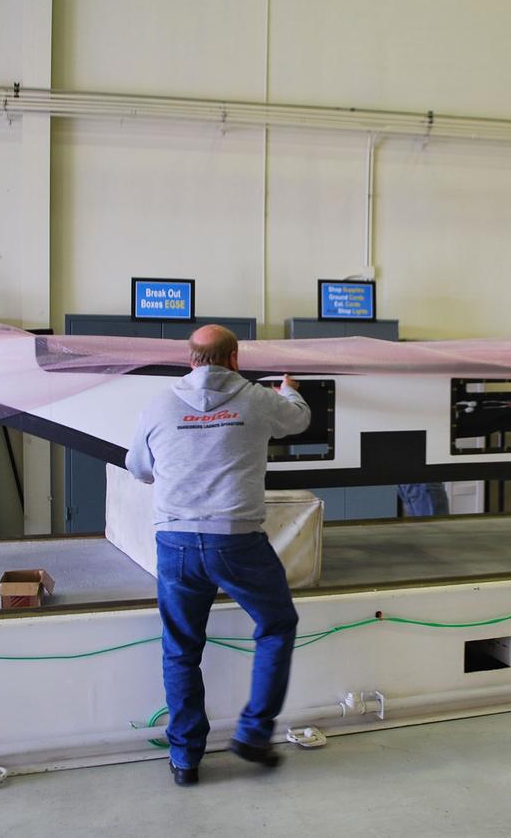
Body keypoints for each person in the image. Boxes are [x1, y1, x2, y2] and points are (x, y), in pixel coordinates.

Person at [126, 324, 311, 786]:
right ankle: (253, 731)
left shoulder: (160, 403)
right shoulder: (257, 399)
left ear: (191, 360)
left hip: (176, 543)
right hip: (238, 542)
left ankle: (186, 759)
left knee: (181, 650)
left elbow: (138, 468)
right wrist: (290, 389)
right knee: (276, 626)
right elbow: (298, 421)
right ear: (234, 359)